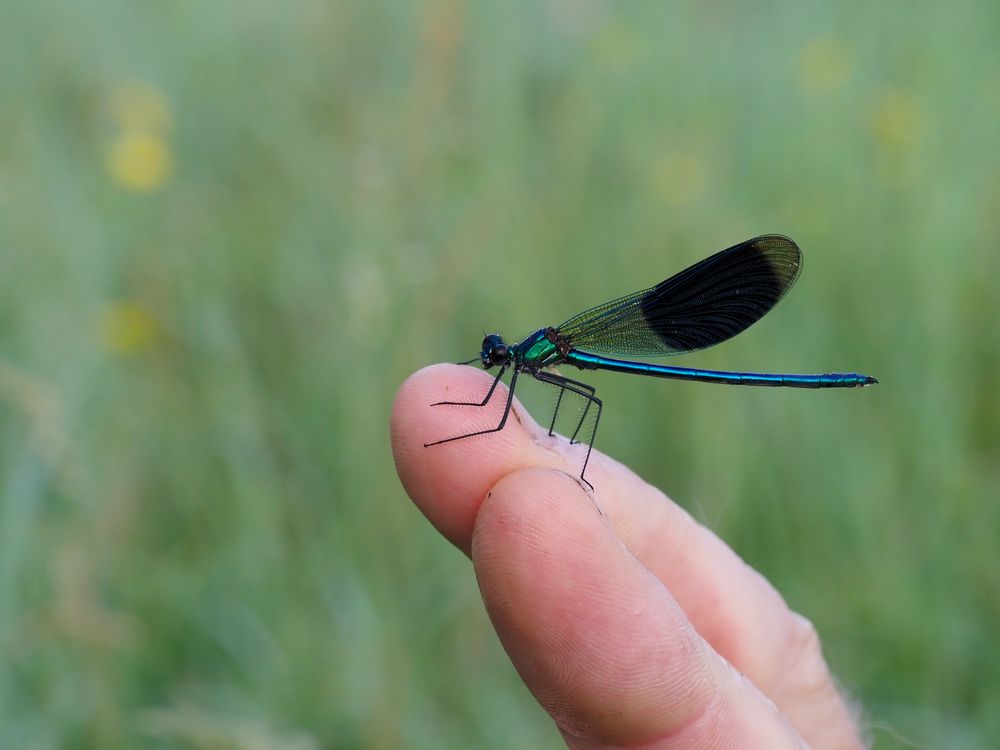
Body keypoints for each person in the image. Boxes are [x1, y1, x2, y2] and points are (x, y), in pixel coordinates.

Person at [391, 364, 865, 749]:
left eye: (496, 355)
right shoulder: (524, 360)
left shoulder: (527, 361)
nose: (495, 359)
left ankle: (568, 462)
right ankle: (566, 462)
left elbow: (497, 419)